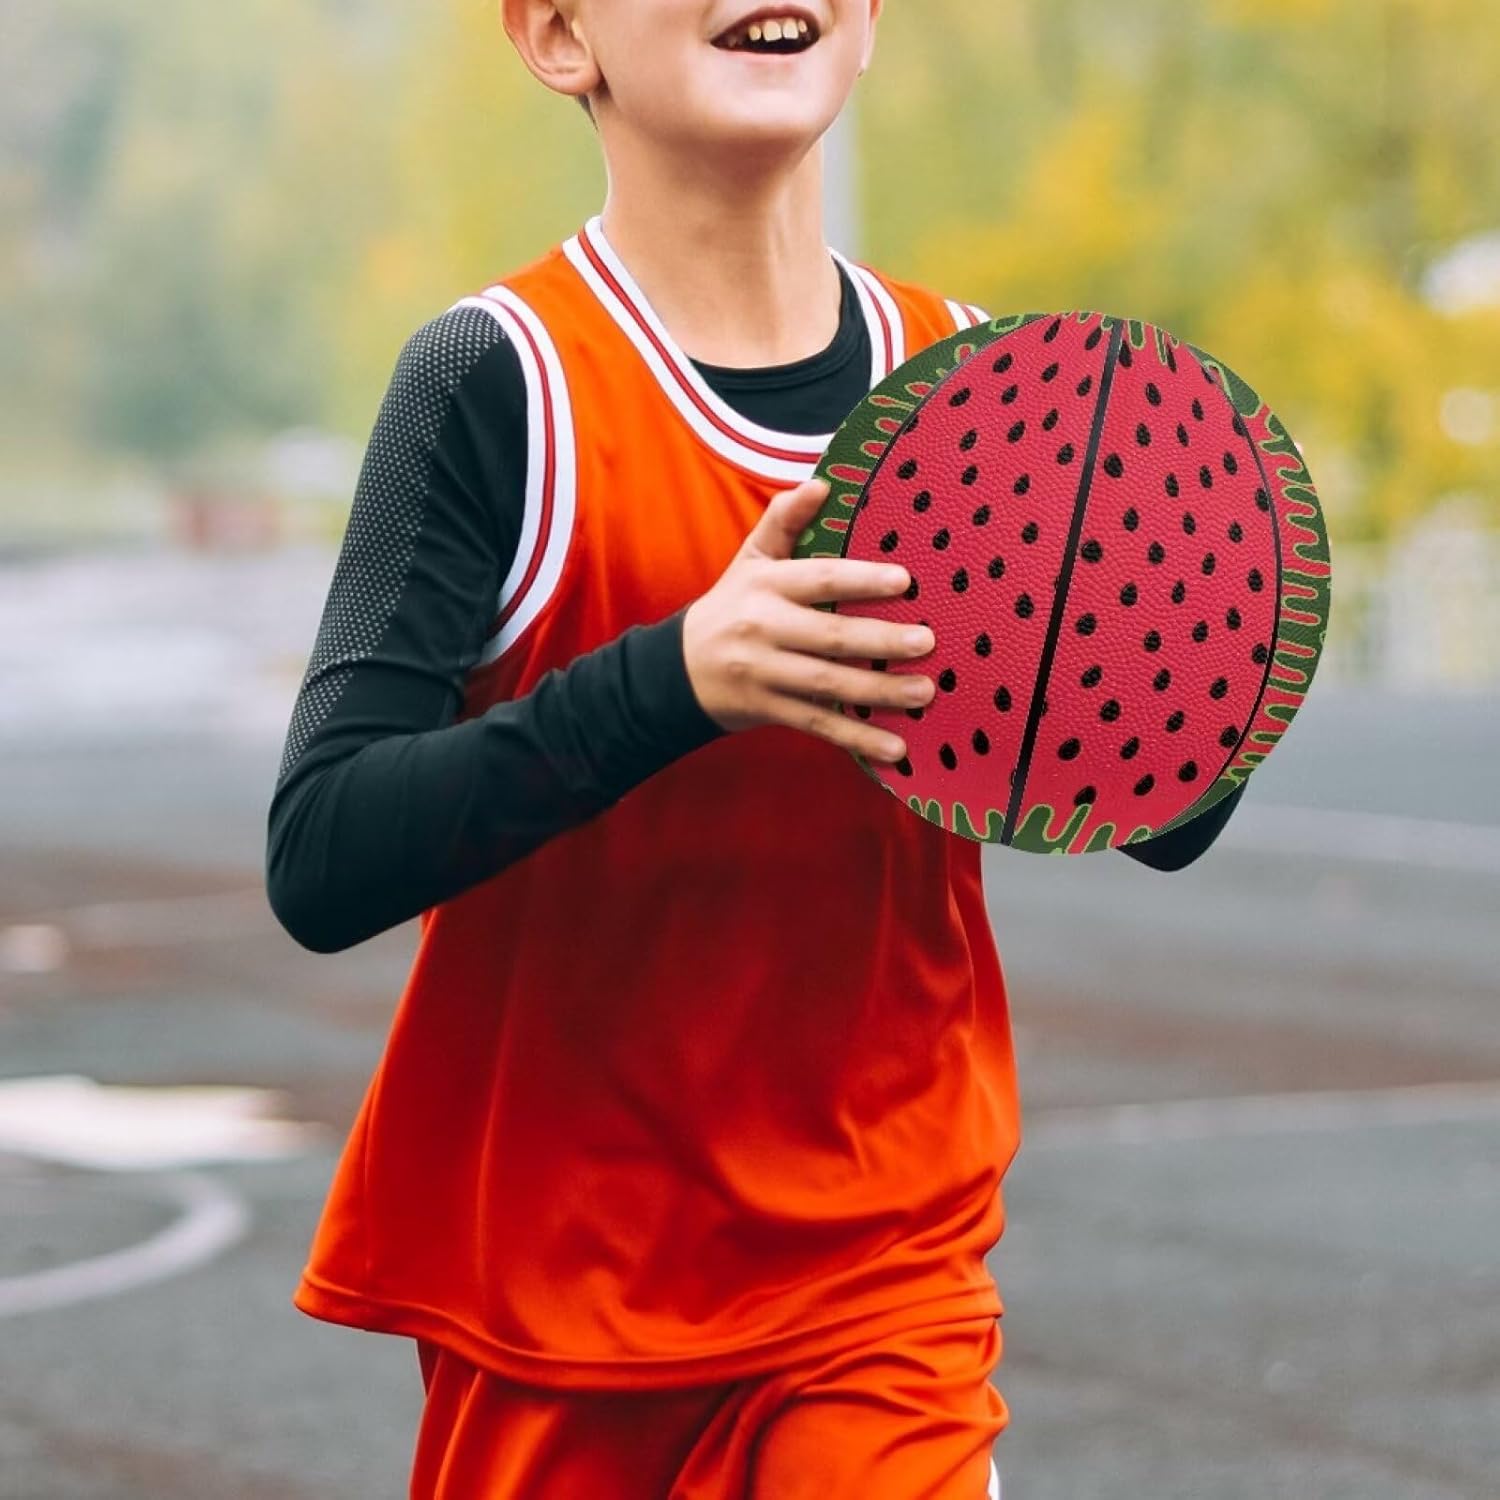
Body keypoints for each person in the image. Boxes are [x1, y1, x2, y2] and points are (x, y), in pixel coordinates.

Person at [266, 3, 1245, 1494]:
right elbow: (322, 853)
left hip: (882, 1272)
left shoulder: (986, 392)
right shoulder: (496, 382)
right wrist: (676, 679)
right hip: (560, 1291)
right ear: (555, 37)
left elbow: (1173, 814)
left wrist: (1170, 651)